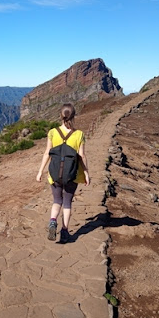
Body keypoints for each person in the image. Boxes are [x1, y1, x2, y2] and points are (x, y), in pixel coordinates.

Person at [36, 103, 90, 242]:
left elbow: (47, 153)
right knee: (67, 202)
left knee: (57, 201)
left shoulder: (53, 132)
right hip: (72, 175)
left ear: (60, 116)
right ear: (73, 117)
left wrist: (40, 171)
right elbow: (82, 156)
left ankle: (53, 220)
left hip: (54, 174)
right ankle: (65, 231)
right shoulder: (79, 135)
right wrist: (86, 174)